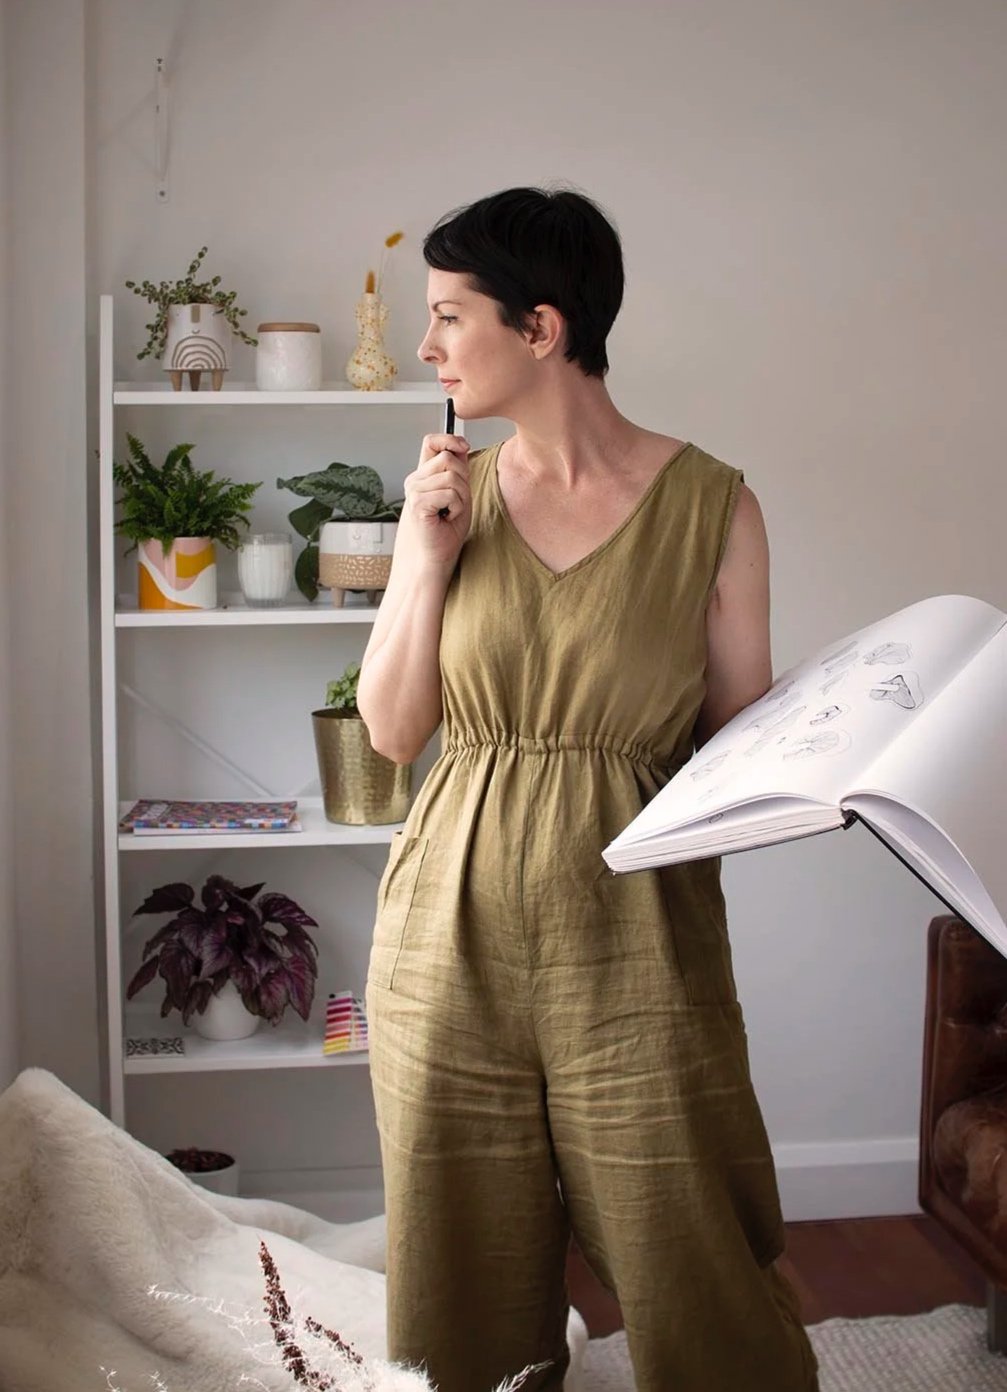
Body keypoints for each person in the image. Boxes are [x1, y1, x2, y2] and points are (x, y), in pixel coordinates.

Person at [358, 186, 819, 1392]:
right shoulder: (448, 496)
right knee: (455, 1289)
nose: (428, 347)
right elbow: (395, 732)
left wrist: (841, 750)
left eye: (450, 316)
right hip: (442, 940)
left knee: (696, 1266)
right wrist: (421, 561)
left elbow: (738, 746)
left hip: (637, 947)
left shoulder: (714, 509)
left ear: (541, 328)